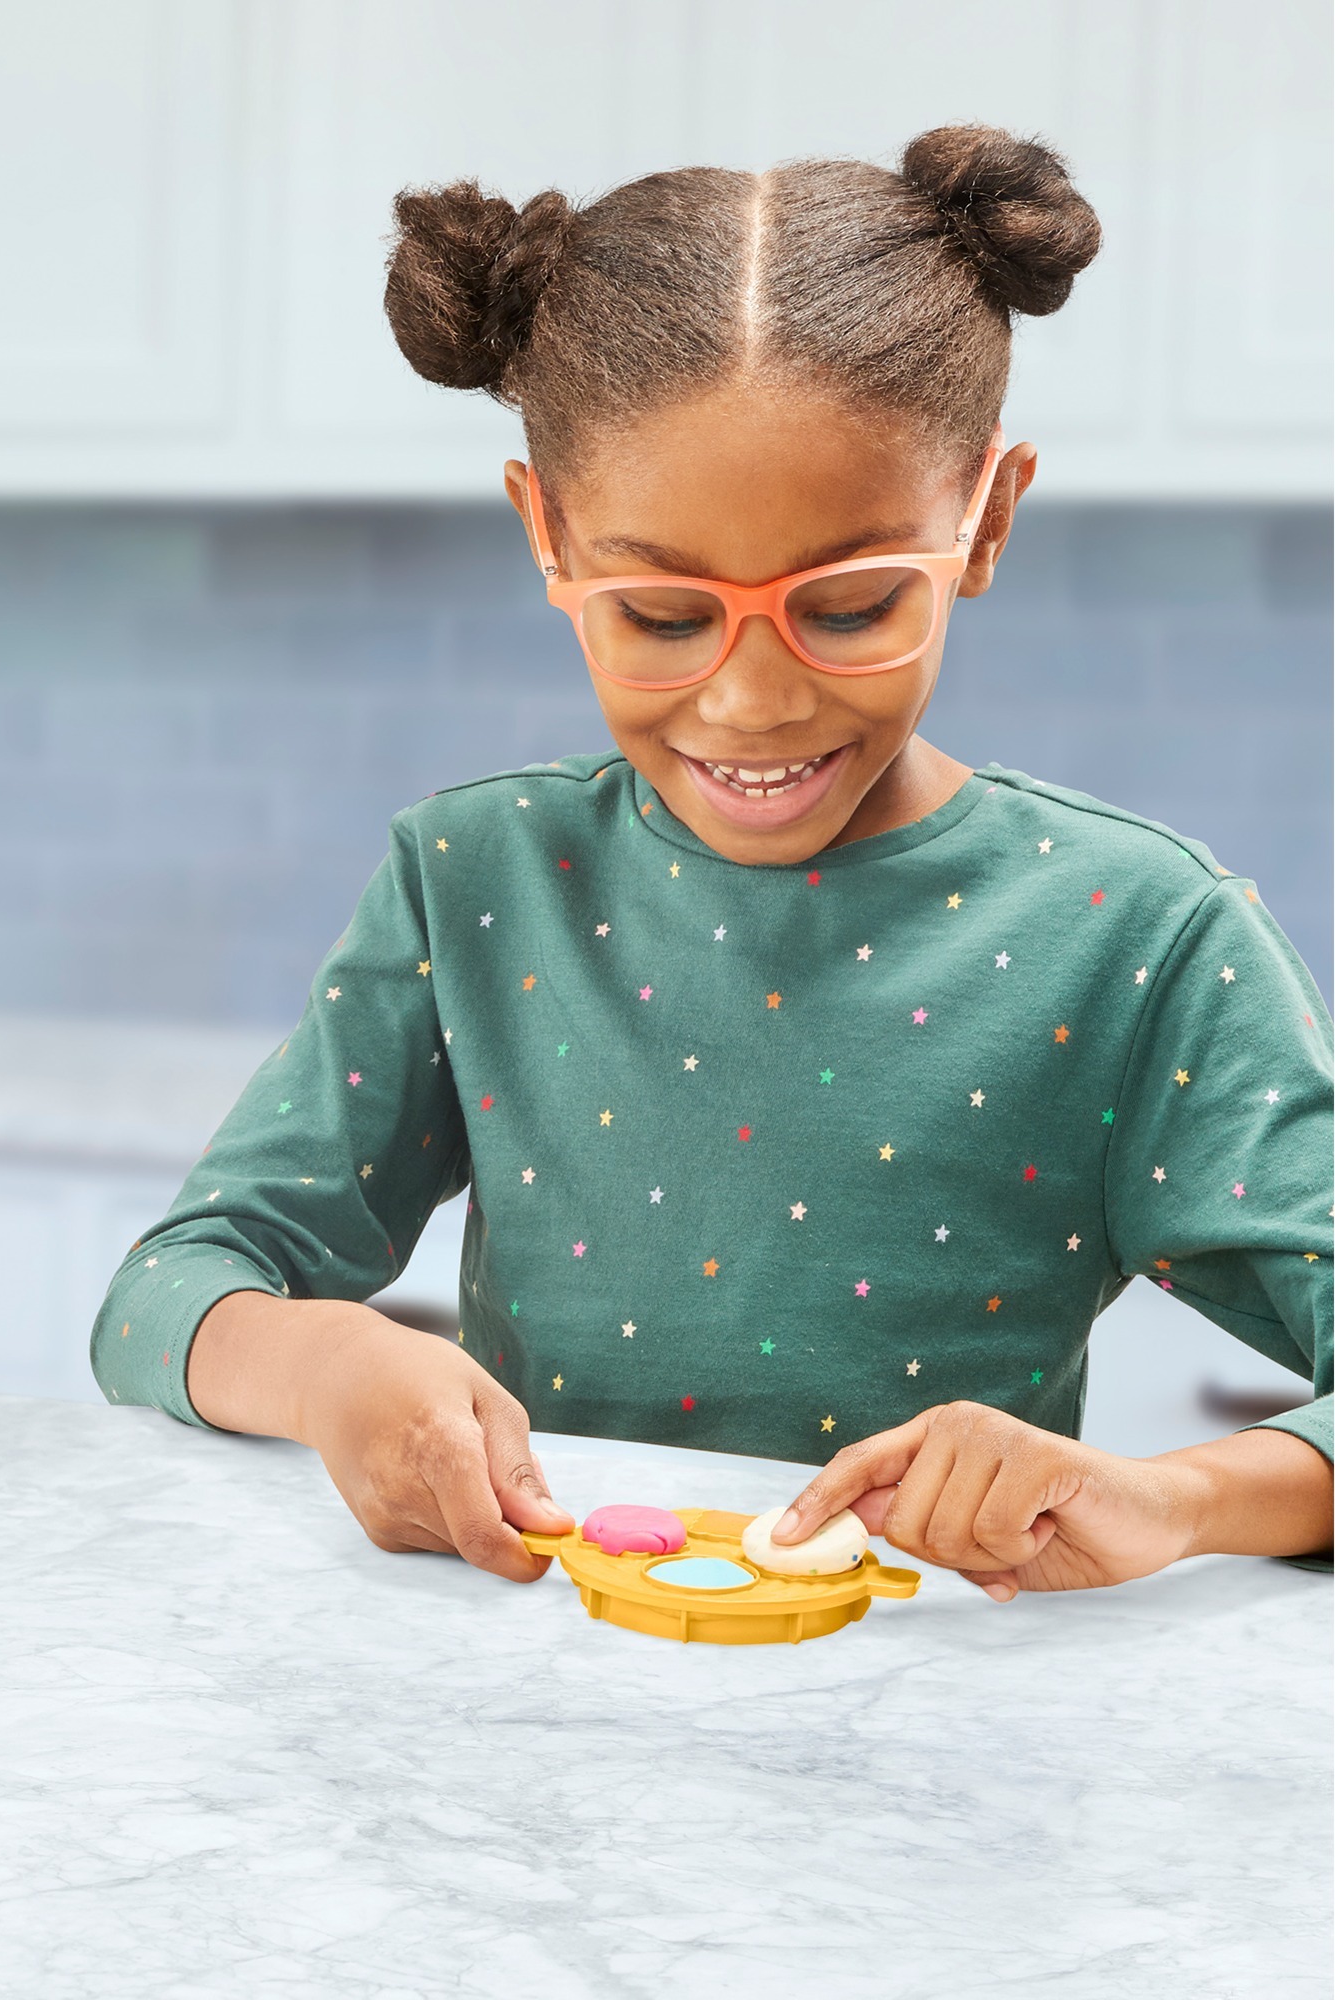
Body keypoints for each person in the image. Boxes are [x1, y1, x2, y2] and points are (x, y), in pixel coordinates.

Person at [90, 127, 1333, 1597]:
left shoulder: (1142, 937)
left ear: (985, 520)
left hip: (936, 1742)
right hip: (531, 1725)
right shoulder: (476, 877)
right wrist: (326, 1363)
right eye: (664, 617)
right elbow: (165, 1293)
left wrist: (1170, 1498)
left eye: (857, 606)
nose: (751, 702)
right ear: (543, 535)